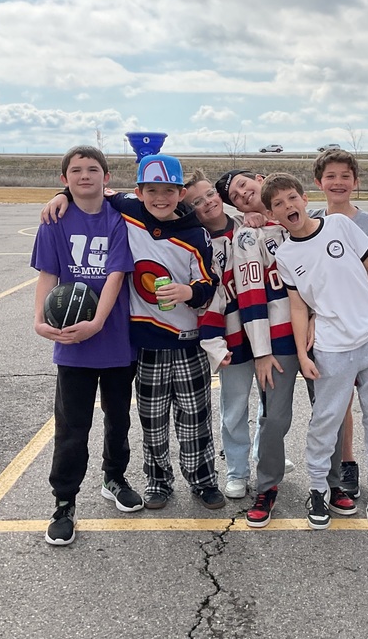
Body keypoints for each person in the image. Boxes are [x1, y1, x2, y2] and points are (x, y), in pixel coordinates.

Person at [43, 154, 225, 511]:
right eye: (151, 191)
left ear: (181, 193)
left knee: (194, 418)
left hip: (187, 342)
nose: (160, 198)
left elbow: (209, 282)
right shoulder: (128, 213)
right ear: (138, 193)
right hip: (146, 343)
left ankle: (203, 479)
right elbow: (92, 190)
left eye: (169, 191)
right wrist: (61, 195)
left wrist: (188, 291)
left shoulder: (195, 234)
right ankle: (158, 481)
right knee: (152, 421)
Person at [260, 172, 368, 529]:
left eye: (292, 198)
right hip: (333, 349)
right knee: (325, 421)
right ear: (272, 215)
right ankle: (318, 490)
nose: (288, 206)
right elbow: (297, 307)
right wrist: (302, 354)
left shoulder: (339, 225)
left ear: (305, 199)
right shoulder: (286, 255)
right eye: (278, 204)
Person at [214, 170, 354, 527]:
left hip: (322, 338)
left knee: (330, 412)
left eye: (244, 184)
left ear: (260, 179)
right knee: (275, 418)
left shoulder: (313, 223)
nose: (243, 193)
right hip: (277, 343)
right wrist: (261, 352)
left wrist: (327, 323)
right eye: (236, 195)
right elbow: (250, 296)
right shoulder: (248, 236)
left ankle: (332, 482)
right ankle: (267, 486)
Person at [32, 147, 142, 546]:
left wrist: (96, 323)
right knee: (72, 426)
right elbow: (48, 274)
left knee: (118, 418)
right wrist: (40, 320)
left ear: (106, 177)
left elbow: (115, 275)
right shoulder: (54, 221)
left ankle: (114, 477)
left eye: (93, 169)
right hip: (72, 343)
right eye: (76, 170)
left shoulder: (119, 218)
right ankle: (64, 501)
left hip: (114, 338)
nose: (84, 176)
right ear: (64, 180)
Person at [311, 149, 368, 501]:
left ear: (355, 182)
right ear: (318, 183)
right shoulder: (310, 221)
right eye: (330, 176)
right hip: (333, 334)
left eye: (345, 176)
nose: (338, 182)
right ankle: (347, 462)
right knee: (340, 403)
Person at [186, 169, 259, 500]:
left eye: (209, 194)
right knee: (234, 408)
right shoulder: (197, 244)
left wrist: (260, 216)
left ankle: (264, 454)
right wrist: (213, 343)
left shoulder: (249, 224)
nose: (207, 203)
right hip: (231, 334)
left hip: (265, 329)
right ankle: (237, 470)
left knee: (272, 403)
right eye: (196, 202)